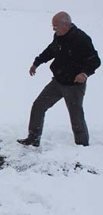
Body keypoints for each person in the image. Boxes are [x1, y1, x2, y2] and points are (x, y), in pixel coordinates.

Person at [18, 11, 100, 147]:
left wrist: (85, 74)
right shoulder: (59, 36)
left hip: (74, 85)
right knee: (38, 106)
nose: (54, 29)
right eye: (53, 26)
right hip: (57, 81)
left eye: (56, 26)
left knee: (76, 116)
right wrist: (37, 62)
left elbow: (95, 61)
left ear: (66, 25)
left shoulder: (81, 38)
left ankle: (82, 145)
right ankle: (33, 138)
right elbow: (51, 50)